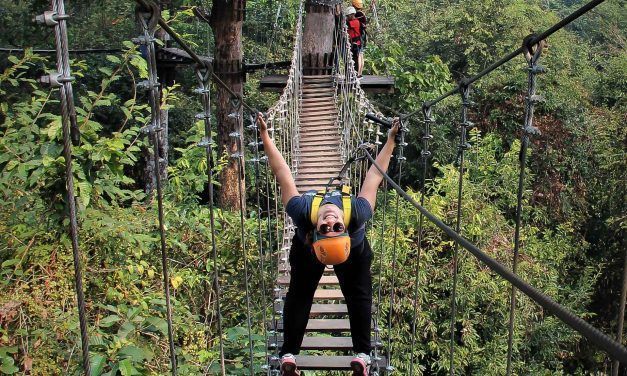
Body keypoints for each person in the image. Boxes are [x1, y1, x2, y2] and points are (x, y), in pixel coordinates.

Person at [257, 112, 399, 376]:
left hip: (334, 252)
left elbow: (281, 172)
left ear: (315, 233)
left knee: (347, 296)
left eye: (326, 228)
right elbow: (375, 176)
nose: (331, 221)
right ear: (345, 229)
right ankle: (293, 354)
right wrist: (390, 141)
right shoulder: (357, 213)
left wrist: (265, 135)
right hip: (346, 249)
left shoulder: (301, 211)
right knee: (318, 295)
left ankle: (361, 356)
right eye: (336, 227)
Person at [344, 6, 366, 78]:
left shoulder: (355, 22)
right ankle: (352, 74)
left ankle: (356, 74)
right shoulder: (352, 21)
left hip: (356, 43)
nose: (347, 17)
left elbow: (346, 24)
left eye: (348, 16)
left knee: (356, 59)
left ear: (351, 15)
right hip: (352, 43)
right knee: (351, 59)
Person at [352, 0, 368, 77]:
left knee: (358, 55)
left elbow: (352, 22)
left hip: (360, 36)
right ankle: (360, 73)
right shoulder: (362, 14)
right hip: (363, 36)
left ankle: (358, 73)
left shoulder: (357, 14)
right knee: (361, 54)